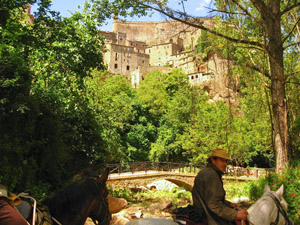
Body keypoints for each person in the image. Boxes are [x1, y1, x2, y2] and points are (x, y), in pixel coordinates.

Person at [192, 148, 248, 225]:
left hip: (202, 214)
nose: (225, 164)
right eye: (222, 160)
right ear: (213, 160)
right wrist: (235, 214)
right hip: (209, 218)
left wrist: (228, 204)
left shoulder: (206, 172)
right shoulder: (212, 175)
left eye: (226, 161)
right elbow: (214, 204)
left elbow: (208, 198)